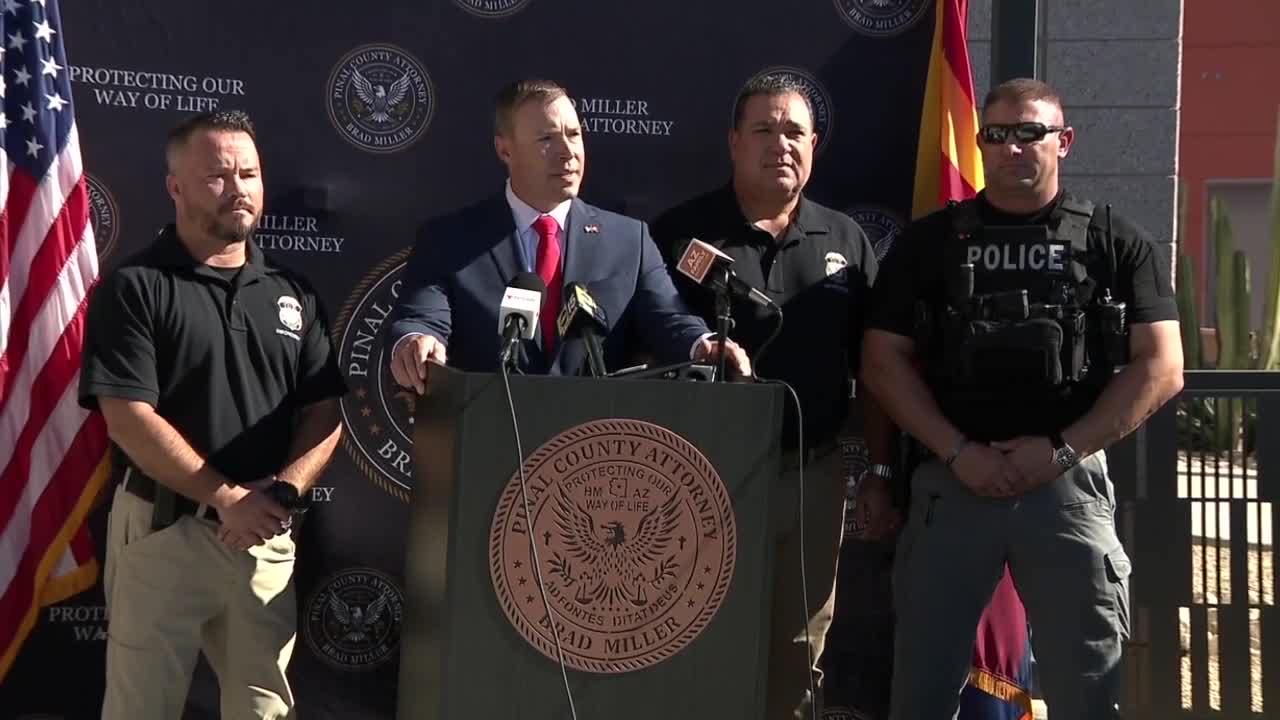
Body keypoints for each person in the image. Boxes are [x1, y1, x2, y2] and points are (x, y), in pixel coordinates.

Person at [861, 77, 1185, 720]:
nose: (1012, 147)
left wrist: (1062, 451)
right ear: (981, 143)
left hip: (1066, 489)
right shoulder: (929, 243)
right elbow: (880, 361)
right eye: (997, 134)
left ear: (1064, 141)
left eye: (1030, 133)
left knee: (1087, 692)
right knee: (921, 692)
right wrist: (958, 452)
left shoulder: (1115, 241)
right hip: (953, 485)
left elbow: (1163, 367)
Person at [79, 110, 348, 720]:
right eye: (217, 177)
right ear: (175, 187)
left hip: (263, 538)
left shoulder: (293, 292)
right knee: (141, 708)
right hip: (162, 531)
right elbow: (127, 416)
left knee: (264, 711)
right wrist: (227, 498)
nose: (238, 189)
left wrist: (280, 495)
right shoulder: (136, 287)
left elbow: (323, 412)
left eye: (249, 174)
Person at [651, 74, 898, 720]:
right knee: (691, 641)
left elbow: (877, 369)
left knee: (798, 650)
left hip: (811, 476)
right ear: (734, 142)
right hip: (697, 479)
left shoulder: (846, 240)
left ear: (814, 145)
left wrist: (880, 470)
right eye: (763, 129)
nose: (780, 143)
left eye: (794, 131)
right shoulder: (680, 235)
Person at [385, 78, 750, 386]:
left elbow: (668, 318)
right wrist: (416, 342)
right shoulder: (448, 239)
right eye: (546, 139)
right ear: (504, 149)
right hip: (487, 432)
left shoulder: (629, 240)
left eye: (574, 135)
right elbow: (421, 319)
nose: (567, 152)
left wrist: (703, 343)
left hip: (594, 440)